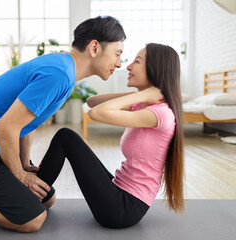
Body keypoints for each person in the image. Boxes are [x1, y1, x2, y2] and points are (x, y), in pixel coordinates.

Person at [0, 16, 126, 232]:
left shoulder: (65, 72)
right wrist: (20, 176)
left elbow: (27, 122)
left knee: (45, 198)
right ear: (95, 47)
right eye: (117, 53)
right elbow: (5, 128)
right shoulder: (58, 74)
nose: (119, 63)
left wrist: (23, 163)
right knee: (32, 220)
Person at [36, 43, 185, 228]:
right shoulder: (144, 105)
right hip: (119, 190)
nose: (128, 66)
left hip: (124, 209)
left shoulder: (160, 114)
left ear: (155, 68)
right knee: (66, 137)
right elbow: (92, 102)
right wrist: (144, 94)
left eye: (137, 62)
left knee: (65, 137)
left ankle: (33, 198)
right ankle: (39, 191)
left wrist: (141, 95)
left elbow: (96, 113)